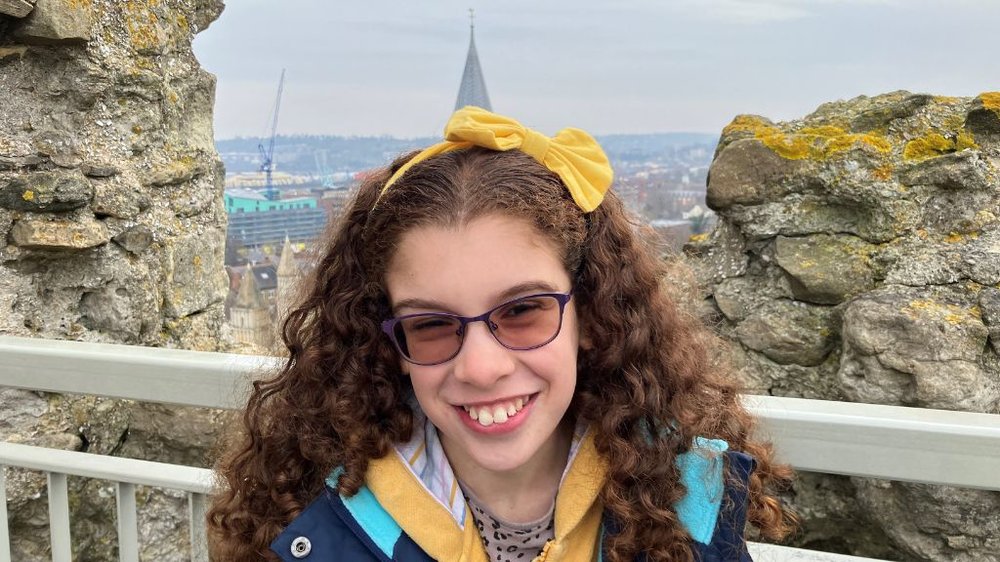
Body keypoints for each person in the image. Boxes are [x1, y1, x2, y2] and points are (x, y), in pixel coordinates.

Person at [207, 107, 795, 562]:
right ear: (389, 343)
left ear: (589, 316)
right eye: (431, 325)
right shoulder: (310, 517)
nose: (481, 368)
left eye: (523, 312)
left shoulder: (686, 499)